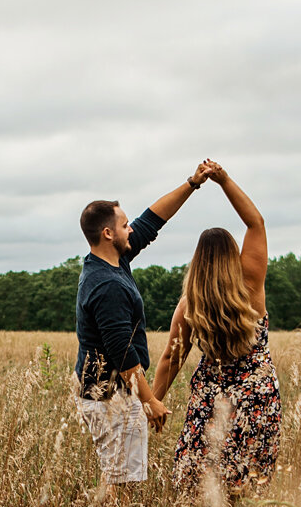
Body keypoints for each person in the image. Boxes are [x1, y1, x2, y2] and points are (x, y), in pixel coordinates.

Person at [73, 165, 212, 486]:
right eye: (124, 225)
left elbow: (151, 221)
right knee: (120, 482)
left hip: (112, 393)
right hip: (110, 397)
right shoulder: (107, 284)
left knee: (120, 477)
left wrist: (192, 184)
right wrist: (150, 401)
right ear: (108, 233)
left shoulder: (110, 261)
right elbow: (121, 353)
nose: (131, 229)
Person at [152, 160, 279, 495]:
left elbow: (171, 358)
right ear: (233, 255)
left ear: (198, 261)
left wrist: (153, 404)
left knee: (199, 478)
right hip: (258, 395)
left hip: (212, 399)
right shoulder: (250, 284)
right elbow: (256, 222)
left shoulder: (190, 305)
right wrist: (224, 180)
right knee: (250, 480)